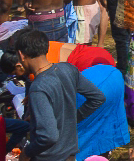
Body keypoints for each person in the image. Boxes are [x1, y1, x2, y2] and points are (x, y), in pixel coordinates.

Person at [16, 28, 106, 161]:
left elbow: (48, 136)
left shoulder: (38, 88)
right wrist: (72, 119)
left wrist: (27, 152)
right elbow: (98, 97)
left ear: (22, 55)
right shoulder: (67, 69)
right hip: (70, 154)